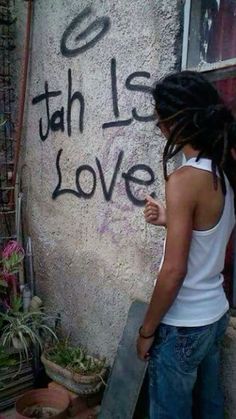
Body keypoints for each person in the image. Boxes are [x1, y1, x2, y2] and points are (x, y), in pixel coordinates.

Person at [136, 71, 236, 419]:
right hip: (215, 315)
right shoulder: (223, 168)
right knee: (209, 407)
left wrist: (146, 330)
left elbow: (175, 270)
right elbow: (212, 228)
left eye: (160, 119)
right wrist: (169, 219)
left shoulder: (183, 179)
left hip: (184, 325)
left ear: (177, 122)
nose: (159, 126)